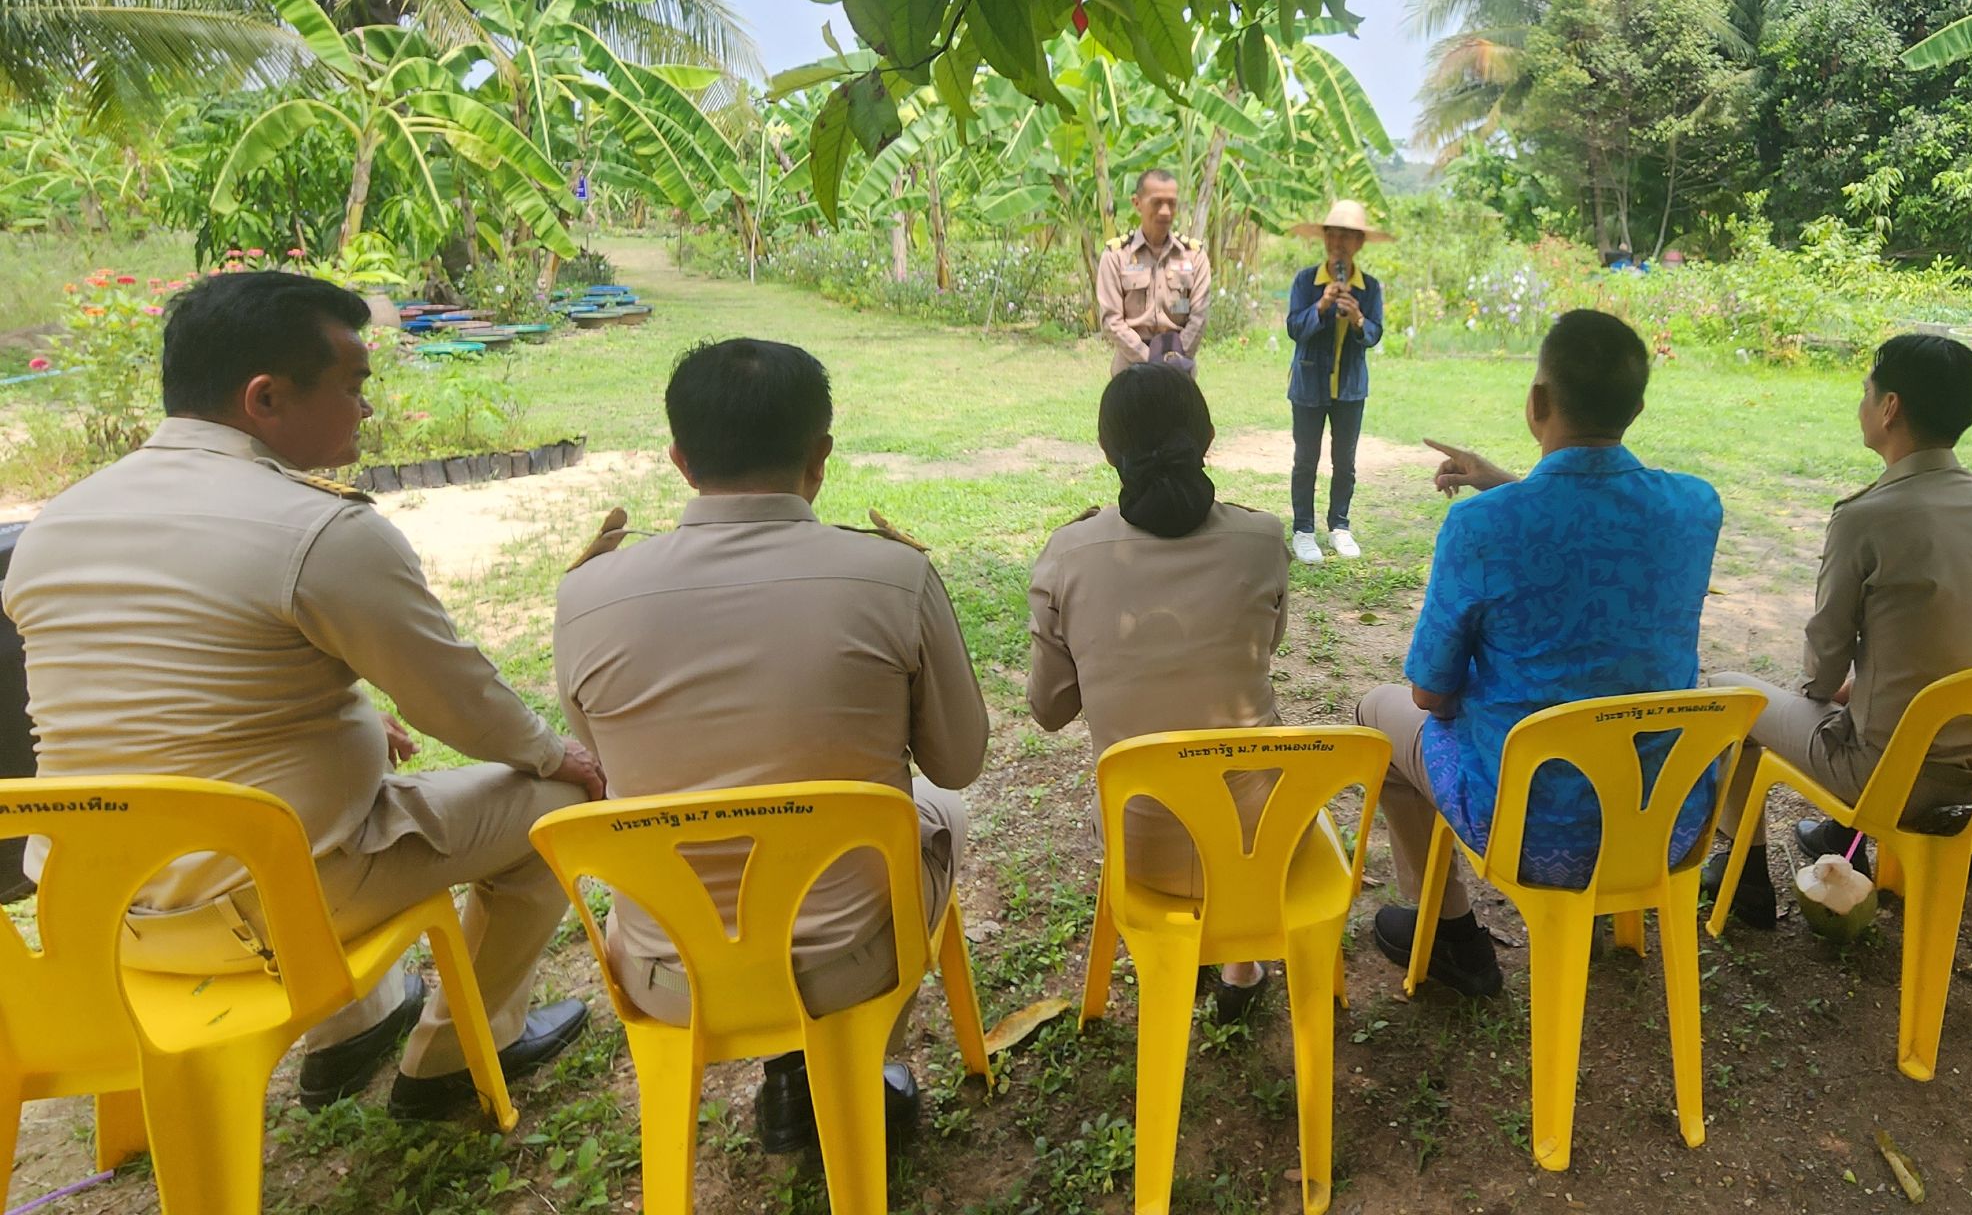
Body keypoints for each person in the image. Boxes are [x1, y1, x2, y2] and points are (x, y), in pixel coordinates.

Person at [2, 271, 601, 1118]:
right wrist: (555, 752)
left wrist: (349, 714)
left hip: (100, 913)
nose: (366, 409)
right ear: (266, 397)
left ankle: (351, 1029)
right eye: (353, 385)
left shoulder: (57, 524)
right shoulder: (317, 531)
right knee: (548, 810)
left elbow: (177, 688)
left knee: (337, 795)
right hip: (263, 904)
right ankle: (457, 1058)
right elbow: (457, 702)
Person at [552, 339, 989, 1153]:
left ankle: (794, 1076)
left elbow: (604, 761)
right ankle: (855, 1062)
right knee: (940, 810)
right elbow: (957, 763)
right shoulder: (891, 577)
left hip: (668, 968)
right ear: (820, 456)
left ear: (680, 461)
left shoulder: (584, 596)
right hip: (846, 959)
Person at [1357, 310, 1722, 995]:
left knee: (1374, 712)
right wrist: (1508, 481)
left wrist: (1504, 492)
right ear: (1638, 408)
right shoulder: (1695, 507)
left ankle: (1451, 936)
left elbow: (1430, 696)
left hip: (1531, 826)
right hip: (1664, 820)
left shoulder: (1478, 527)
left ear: (1536, 403)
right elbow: (1592, 528)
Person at [1700, 334, 1972, 927]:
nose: (1862, 403)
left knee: (1727, 691)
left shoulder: (1867, 517)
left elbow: (1822, 670)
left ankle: (1743, 880)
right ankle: (1829, 843)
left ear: (1890, 408)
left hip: (1893, 777)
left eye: (1866, 391)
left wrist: (1833, 690)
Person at [1027, 362, 1290, 1021]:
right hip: (1262, 844)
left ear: (1108, 453)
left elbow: (1049, 710)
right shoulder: (1262, 541)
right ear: (1207, 439)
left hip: (1142, 852)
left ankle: (1193, 959)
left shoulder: (1068, 555)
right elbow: (1265, 648)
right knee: (1240, 786)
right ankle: (1242, 964)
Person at [1283, 199, 1388, 564]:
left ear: (1360, 244)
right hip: (1309, 385)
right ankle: (1304, 530)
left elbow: (1374, 334)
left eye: (1348, 236)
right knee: (1305, 460)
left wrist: (1358, 318)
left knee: (1345, 461)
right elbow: (1295, 329)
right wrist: (1321, 307)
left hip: (1350, 389)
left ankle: (1340, 526)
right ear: (1324, 239)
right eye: (1334, 235)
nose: (1339, 242)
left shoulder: (1369, 287)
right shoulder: (1305, 281)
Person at [1095, 168, 1211, 375]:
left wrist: (1176, 358)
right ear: (1137, 203)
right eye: (1157, 202)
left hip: (1180, 367)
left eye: (1172, 203)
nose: (1165, 211)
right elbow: (1111, 320)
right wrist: (1151, 360)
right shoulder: (1116, 256)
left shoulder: (1194, 256)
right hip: (1131, 369)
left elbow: (1199, 316)